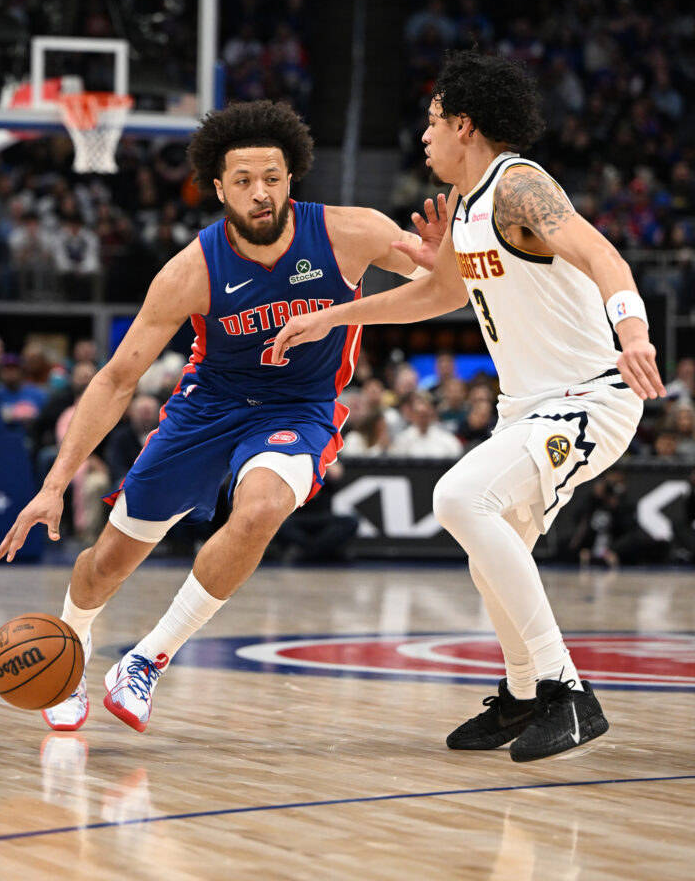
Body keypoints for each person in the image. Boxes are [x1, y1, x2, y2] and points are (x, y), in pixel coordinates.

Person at [0, 99, 444, 733]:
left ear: (291, 178)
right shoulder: (190, 270)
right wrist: (53, 485)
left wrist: (447, 257)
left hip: (300, 409)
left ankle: (147, 658)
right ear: (218, 187)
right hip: (207, 408)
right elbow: (117, 378)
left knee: (260, 510)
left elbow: (442, 288)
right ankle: (71, 647)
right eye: (244, 180)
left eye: (273, 178)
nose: (261, 193)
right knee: (108, 562)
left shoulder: (353, 232)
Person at [272, 50, 666, 762]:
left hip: (589, 397)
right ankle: (522, 693)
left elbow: (604, 255)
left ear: (464, 124)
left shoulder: (518, 187)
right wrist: (331, 316)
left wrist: (633, 331)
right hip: (529, 409)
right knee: (493, 556)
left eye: (432, 121)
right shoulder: (466, 205)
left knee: (458, 497)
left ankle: (567, 692)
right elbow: (437, 295)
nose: (423, 136)